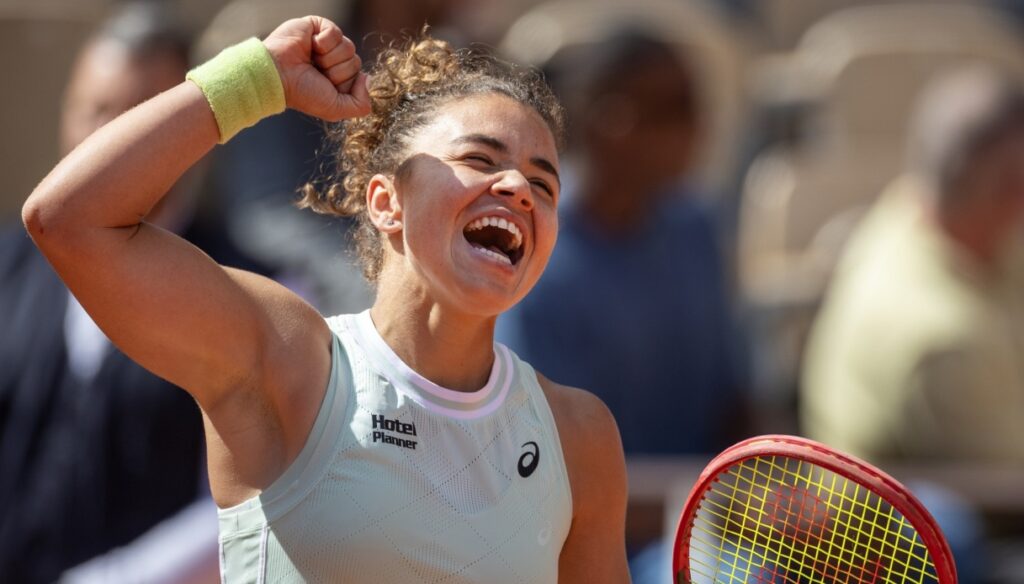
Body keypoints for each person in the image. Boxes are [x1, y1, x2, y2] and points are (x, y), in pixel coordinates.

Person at [22, 14, 630, 583]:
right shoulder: (288, 360)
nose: (518, 187)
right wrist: (254, 81)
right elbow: (67, 219)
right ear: (386, 202)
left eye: (544, 184)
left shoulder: (579, 435)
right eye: (479, 158)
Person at [0, 4, 232, 581]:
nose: (108, 138)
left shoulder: (247, 290)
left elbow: (247, 501)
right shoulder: (6, 267)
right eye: (95, 110)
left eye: (139, 115)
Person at [497, 30, 746, 456]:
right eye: (672, 108)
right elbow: (540, 445)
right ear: (610, 122)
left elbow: (733, 402)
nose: (695, 126)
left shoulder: (698, 229)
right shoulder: (531, 250)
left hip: (705, 494)